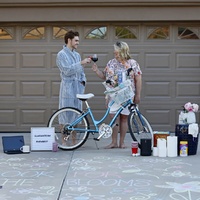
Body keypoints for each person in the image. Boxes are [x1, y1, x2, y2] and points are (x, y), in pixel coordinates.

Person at [92, 41, 142, 149]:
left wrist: (138, 95)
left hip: (127, 96)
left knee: (124, 119)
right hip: (113, 96)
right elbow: (104, 76)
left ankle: (122, 142)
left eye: (117, 52)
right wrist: (96, 71)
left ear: (123, 51)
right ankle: (113, 142)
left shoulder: (133, 63)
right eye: (115, 52)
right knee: (114, 119)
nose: (115, 54)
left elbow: (138, 79)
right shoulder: (111, 63)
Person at [56, 30, 91, 140]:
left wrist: (83, 81)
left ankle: (74, 142)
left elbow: (81, 72)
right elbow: (66, 70)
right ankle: (64, 141)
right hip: (67, 88)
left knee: (76, 114)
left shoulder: (77, 55)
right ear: (69, 40)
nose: (78, 43)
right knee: (65, 114)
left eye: (78, 41)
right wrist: (81, 63)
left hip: (77, 88)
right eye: (76, 40)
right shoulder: (61, 54)